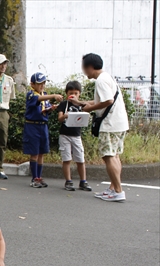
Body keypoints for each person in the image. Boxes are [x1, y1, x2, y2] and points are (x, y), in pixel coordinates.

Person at [79, 53, 129, 202]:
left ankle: (118, 191)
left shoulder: (100, 81)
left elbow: (108, 100)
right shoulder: (107, 77)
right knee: (114, 155)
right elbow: (101, 100)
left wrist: (89, 109)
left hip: (110, 124)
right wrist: (80, 103)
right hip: (119, 123)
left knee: (108, 156)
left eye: (83, 68)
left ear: (89, 67)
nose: (83, 71)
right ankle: (113, 188)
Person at [23, 73, 63, 188]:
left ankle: (39, 177)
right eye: (39, 83)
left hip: (43, 125)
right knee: (34, 153)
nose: (42, 86)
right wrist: (53, 95)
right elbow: (37, 99)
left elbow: (43, 108)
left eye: (43, 83)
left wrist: (50, 109)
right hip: (32, 126)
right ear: (32, 84)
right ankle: (34, 177)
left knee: (41, 153)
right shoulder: (31, 94)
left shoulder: (44, 95)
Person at [57, 81, 92, 191]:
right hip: (64, 135)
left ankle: (83, 181)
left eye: (76, 93)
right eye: (71, 93)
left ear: (79, 94)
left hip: (77, 135)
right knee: (66, 159)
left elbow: (89, 108)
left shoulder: (81, 105)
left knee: (80, 159)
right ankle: (68, 181)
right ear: (67, 93)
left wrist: (79, 103)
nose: (73, 95)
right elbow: (59, 118)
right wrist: (65, 116)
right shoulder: (63, 105)